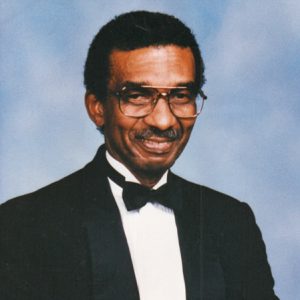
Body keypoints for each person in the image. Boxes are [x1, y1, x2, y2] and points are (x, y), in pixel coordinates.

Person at [0, 11, 278, 300]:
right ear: (97, 108)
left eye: (180, 95)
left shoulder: (231, 221)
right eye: (137, 96)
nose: (163, 121)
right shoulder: (23, 226)